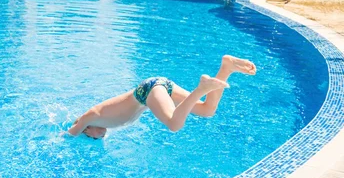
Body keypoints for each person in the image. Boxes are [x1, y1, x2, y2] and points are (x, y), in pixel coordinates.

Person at [67, 55, 256, 139]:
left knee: (174, 124)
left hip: (147, 91)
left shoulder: (91, 117)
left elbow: (71, 132)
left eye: (92, 137)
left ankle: (202, 88)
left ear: (86, 129)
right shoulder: (104, 121)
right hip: (154, 87)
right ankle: (227, 67)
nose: (99, 137)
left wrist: (69, 133)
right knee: (207, 110)